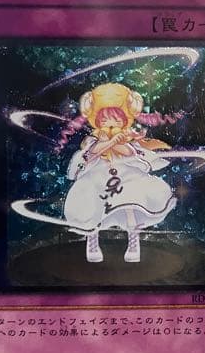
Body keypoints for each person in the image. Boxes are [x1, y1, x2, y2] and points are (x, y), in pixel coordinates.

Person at [58, 82, 182, 263]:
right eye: (105, 120)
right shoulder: (92, 139)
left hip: (124, 174)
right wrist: (109, 141)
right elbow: (92, 153)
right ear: (97, 121)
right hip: (97, 175)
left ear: (124, 121)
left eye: (116, 120)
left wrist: (118, 141)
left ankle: (133, 240)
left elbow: (128, 152)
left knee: (130, 198)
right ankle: (92, 239)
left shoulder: (127, 137)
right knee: (92, 200)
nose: (111, 124)